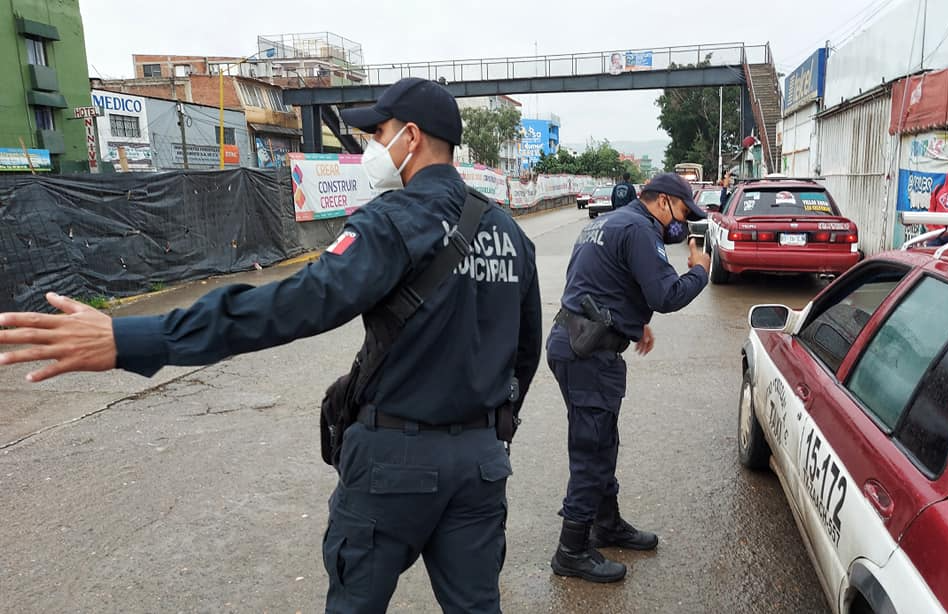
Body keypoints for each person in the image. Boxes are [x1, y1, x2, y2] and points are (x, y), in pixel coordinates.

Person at [0, 77, 543, 614]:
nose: (369, 147)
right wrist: (488, 432)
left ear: (413, 137)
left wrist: (132, 337)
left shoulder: (393, 223)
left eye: (378, 132)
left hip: (395, 464)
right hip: (481, 464)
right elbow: (525, 348)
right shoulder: (508, 232)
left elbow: (292, 305)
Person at [546, 173, 710, 583]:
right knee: (593, 448)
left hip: (574, 339)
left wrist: (633, 325)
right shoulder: (639, 229)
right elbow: (666, 296)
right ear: (666, 203)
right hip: (590, 352)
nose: (683, 224)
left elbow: (597, 282)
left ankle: (607, 524)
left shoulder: (607, 222)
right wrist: (700, 271)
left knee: (602, 439)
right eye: (684, 213)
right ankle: (572, 549)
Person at [926, 162, 948, 247]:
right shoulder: (938, 189)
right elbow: (931, 210)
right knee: (930, 258)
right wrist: (931, 229)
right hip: (935, 235)